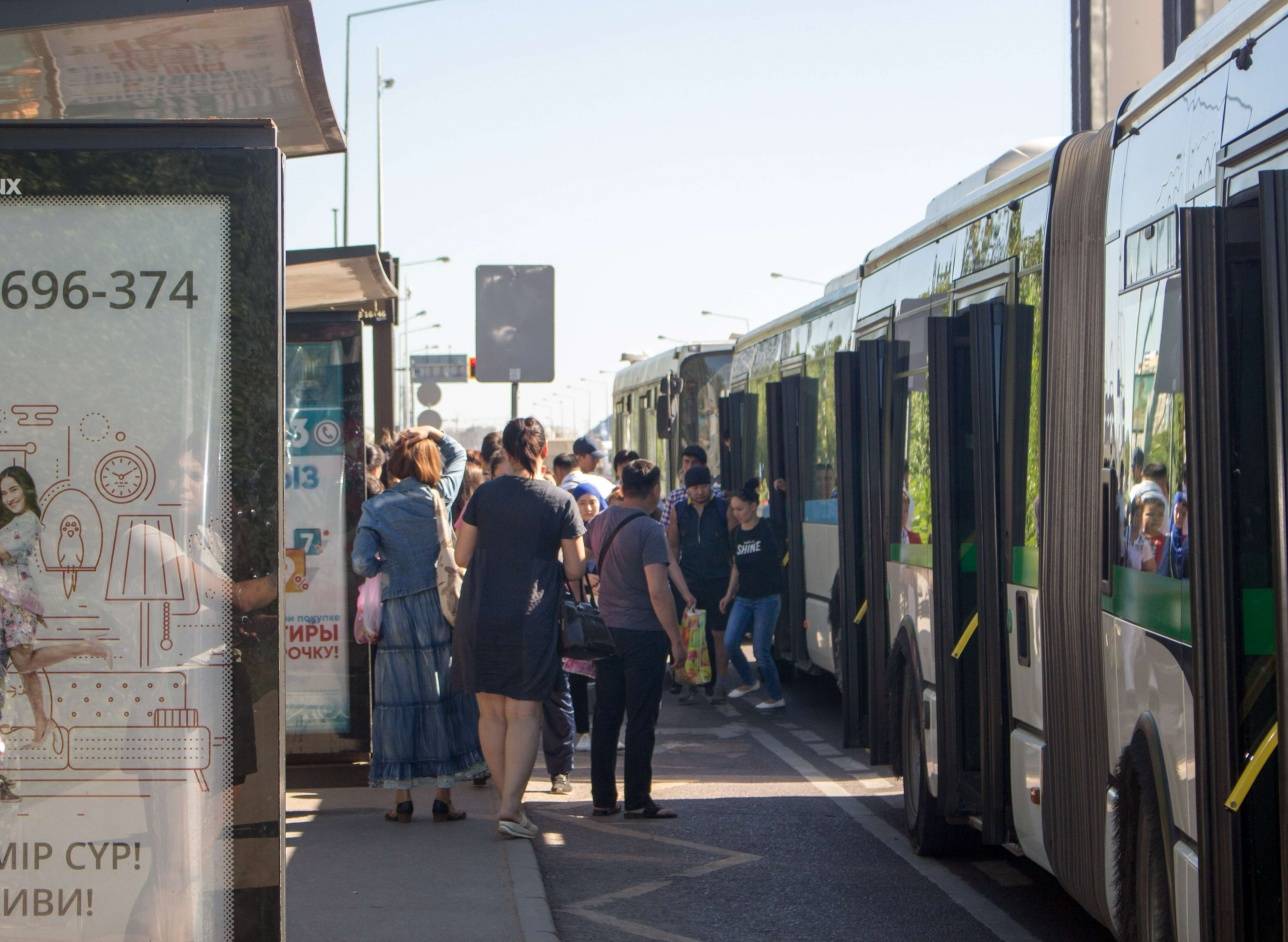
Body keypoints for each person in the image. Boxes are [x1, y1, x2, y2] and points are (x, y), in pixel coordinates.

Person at [454, 417, 587, 840]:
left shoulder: (485, 495)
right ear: (542, 451)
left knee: (491, 711)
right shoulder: (560, 500)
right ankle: (512, 807)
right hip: (533, 614)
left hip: (481, 610)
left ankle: (508, 802)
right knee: (525, 711)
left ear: (507, 454)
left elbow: (460, 556)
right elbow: (575, 566)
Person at [352, 428, 487, 824]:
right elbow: (458, 453)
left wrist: (385, 568)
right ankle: (444, 796)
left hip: (396, 612)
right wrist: (431, 433)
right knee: (440, 694)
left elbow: (361, 563)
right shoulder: (438, 497)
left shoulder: (376, 507)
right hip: (437, 607)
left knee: (398, 703)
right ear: (430, 464)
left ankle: (402, 798)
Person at [587, 459, 686, 819]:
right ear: (656, 489)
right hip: (643, 633)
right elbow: (658, 592)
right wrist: (675, 639)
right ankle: (637, 799)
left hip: (605, 630)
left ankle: (601, 797)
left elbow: (582, 564)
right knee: (641, 718)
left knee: (607, 715)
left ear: (622, 486)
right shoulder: (649, 530)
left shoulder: (598, 522)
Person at [1, 466, 112, 744]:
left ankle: (86, 646)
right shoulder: (12, 522)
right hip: (8, 598)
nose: (9, 497)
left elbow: (3, 553)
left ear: (26, 488)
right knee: (25, 665)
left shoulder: (28, 521)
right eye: (3, 493)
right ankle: (41, 720)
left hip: (16, 599)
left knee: (23, 660)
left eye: (13, 489)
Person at [667, 465, 732, 703]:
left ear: (711, 485)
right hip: (690, 579)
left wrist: (733, 584)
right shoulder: (678, 510)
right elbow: (673, 549)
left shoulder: (723, 509)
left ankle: (719, 683)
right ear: (687, 490)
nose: (700, 492)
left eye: (704, 486)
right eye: (694, 487)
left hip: (720, 580)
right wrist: (680, 585)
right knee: (691, 634)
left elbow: (734, 546)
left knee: (718, 634)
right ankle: (692, 683)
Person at [721, 478, 787, 711]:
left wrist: (783, 493)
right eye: (733, 509)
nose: (736, 513)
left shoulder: (768, 528)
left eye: (740, 508)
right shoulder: (736, 534)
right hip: (744, 597)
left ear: (753, 506)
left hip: (767, 597)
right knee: (730, 642)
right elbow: (736, 567)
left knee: (761, 650)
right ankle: (750, 681)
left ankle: (776, 696)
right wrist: (729, 594)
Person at [659, 444, 723, 528]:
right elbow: (664, 530)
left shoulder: (718, 495)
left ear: (704, 466)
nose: (689, 467)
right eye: (686, 461)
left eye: (694, 462)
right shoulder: (674, 497)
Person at [563, 436, 614, 501]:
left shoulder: (597, 480)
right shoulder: (571, 481)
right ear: (579, 457)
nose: (597, 461)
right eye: (594, 457)